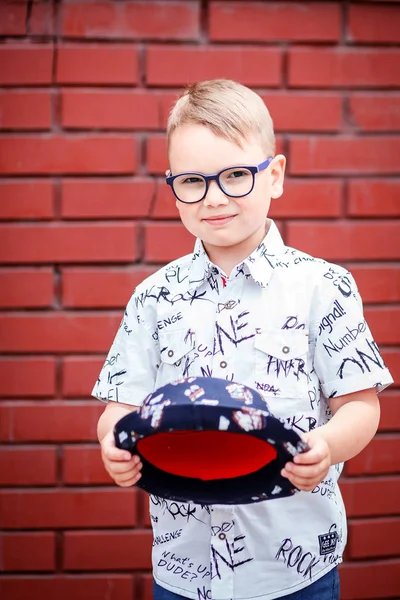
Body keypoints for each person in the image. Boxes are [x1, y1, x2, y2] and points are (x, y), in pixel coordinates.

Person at [93, 79, 393, 600]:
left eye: (235, 175)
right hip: (184, 570)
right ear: (173, 187)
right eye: (192, 181)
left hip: (294, 568)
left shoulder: (323, 287)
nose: (213, 197)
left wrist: (325, 444)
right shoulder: (152, 297)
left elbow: (361, 406)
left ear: (274, 176)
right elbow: (121, 408)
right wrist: (112, 444)